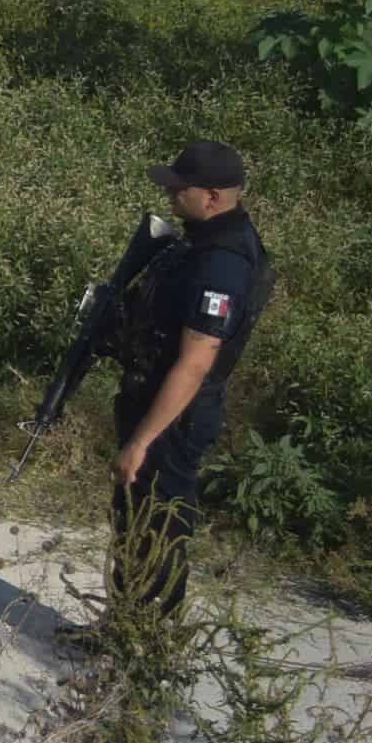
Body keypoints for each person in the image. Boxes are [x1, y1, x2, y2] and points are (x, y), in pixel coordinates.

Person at [63, 140, 273, 651]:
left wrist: (142, 440)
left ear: (213, 196)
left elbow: (197, 361)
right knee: (134, 518)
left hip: (173, 415)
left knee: (160, 523)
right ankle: (123, 628)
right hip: (152, 400)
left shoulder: (223, 262)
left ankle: (148, 644)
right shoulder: (200, 240)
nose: (172, 195)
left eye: (181, 189)